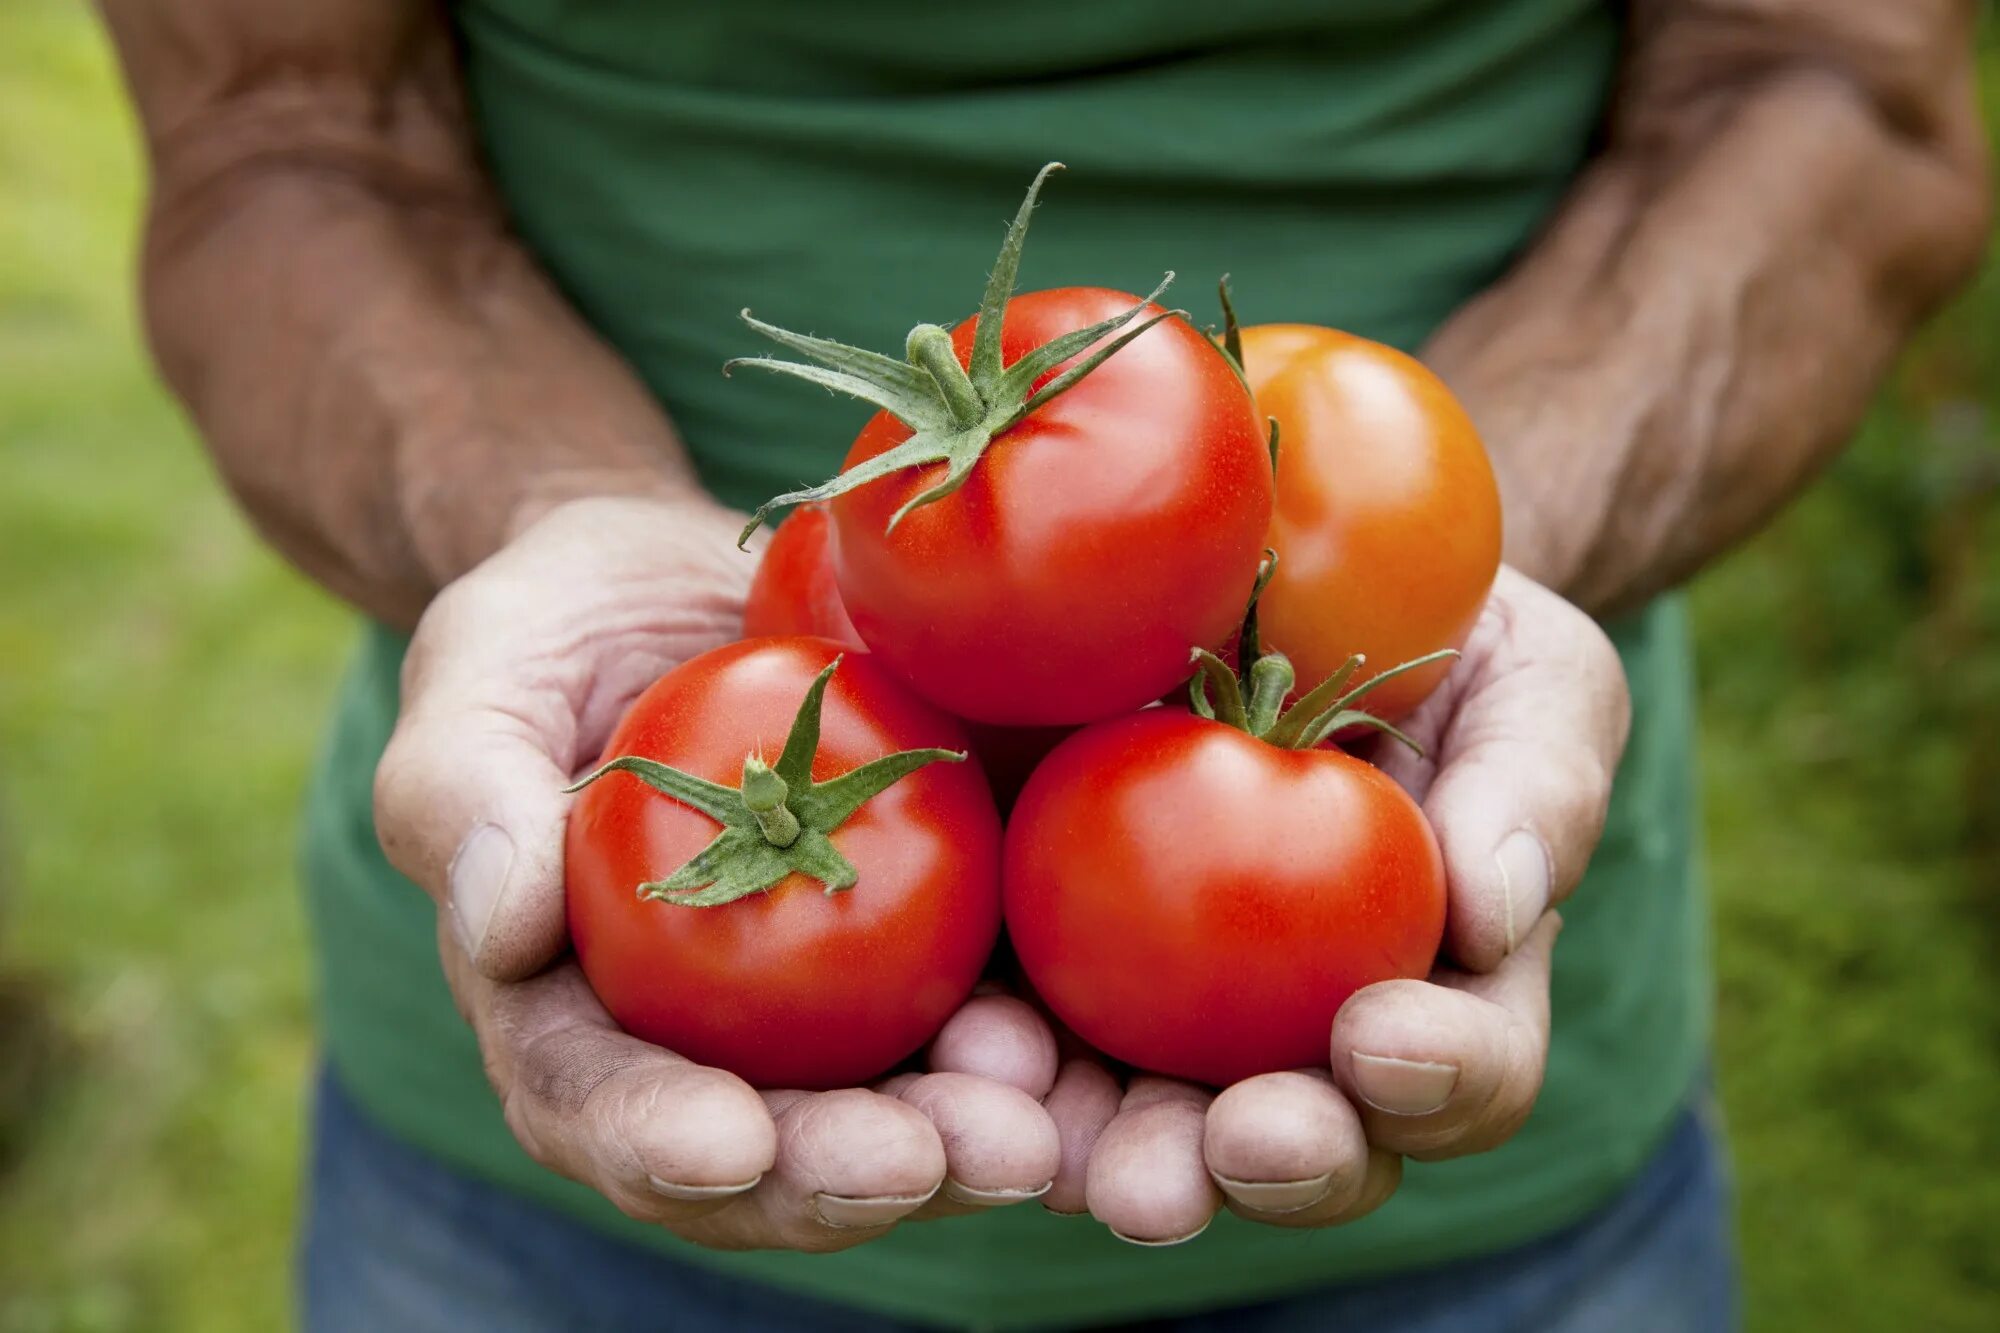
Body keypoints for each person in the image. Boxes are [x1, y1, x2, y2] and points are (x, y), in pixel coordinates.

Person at [98, 1, 1988, 1330]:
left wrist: (1448, 584)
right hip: (546, 1134)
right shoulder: (853, 604)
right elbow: (282, 133)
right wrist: (544, 522)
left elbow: (1834, 85)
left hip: (1481, 1174)